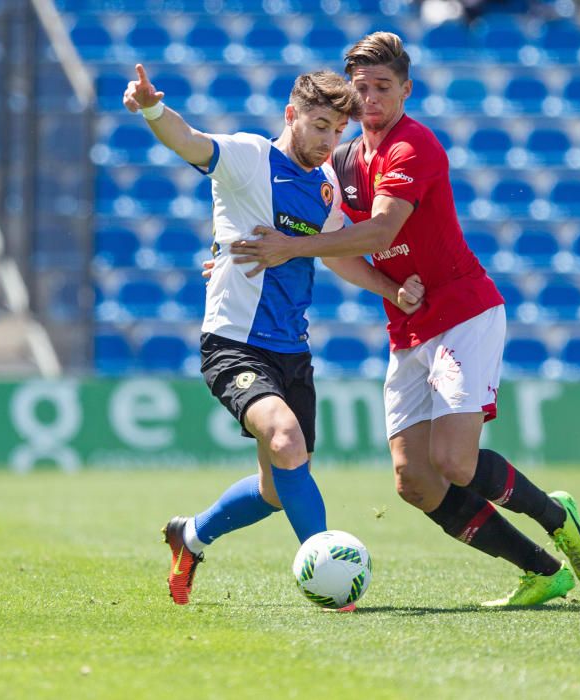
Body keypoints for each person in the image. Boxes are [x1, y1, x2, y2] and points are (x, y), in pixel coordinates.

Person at [232, 32, 580, 607]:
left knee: (454, 462)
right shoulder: (344, 159)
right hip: (407, 326)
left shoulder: (414, 146)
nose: (371, 99)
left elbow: (379, 232)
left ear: (407, 89)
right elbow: (326, 238)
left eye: (383, 87)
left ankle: (556, 515)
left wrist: (289, 248)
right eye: (362, 90)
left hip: (461, 312)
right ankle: (540, 570)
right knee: (415, 482)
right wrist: (235, 257)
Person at [122, 64, 425, 605]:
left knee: (274, 488)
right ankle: (336, 578)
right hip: (234, 342)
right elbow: (189, 142)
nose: (329, 140)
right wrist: (151, 108)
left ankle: (189, 536)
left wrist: (388, 288)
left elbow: (340, 254)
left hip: (293, 350)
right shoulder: (247, 157)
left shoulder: (326, 184)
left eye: (337, 131)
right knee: (285, 438)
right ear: (292, 116)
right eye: (319, 126)